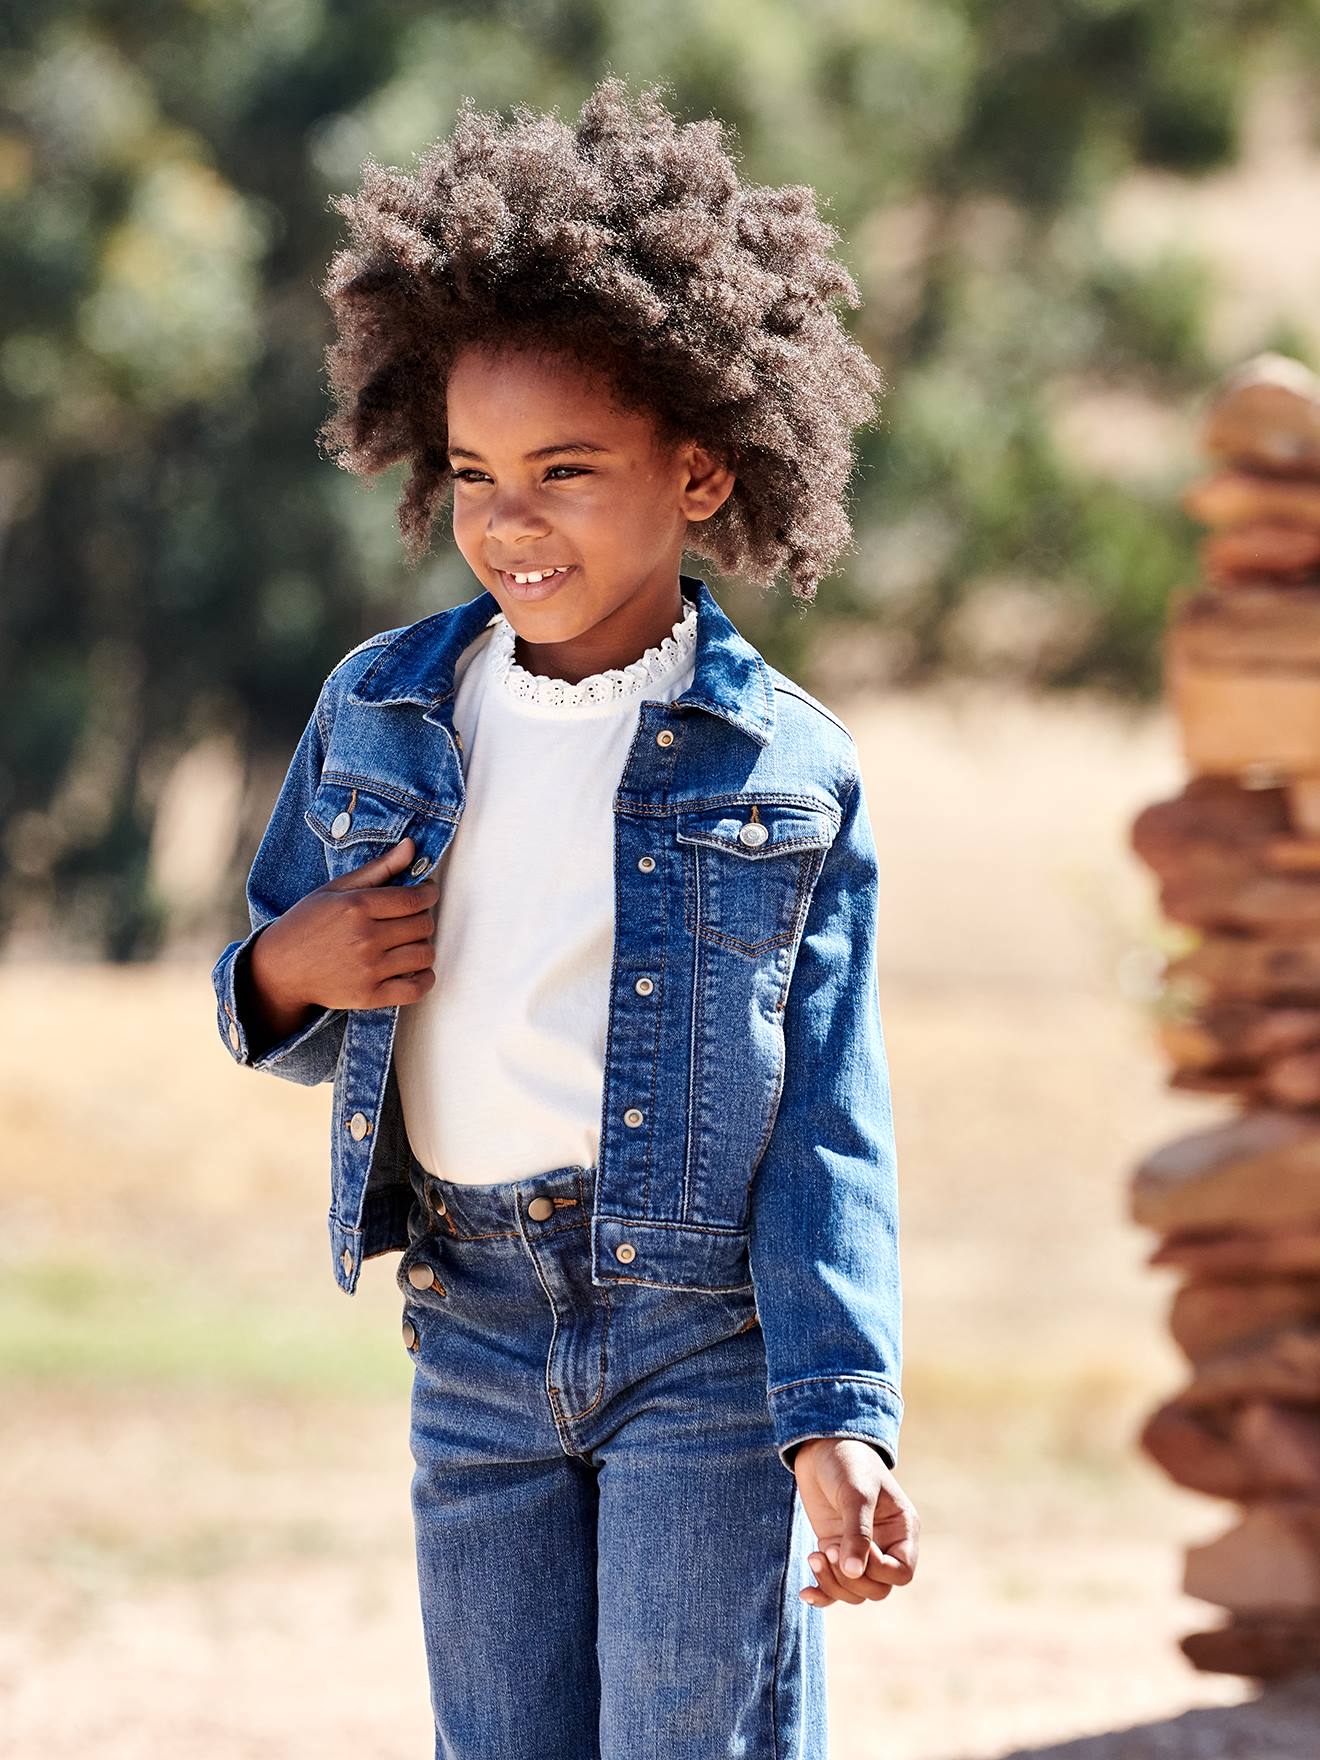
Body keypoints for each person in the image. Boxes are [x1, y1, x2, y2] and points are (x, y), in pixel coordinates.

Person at [211, 73, 919, 1759]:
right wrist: (288, 972)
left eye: (564, 470)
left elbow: (831, 1119)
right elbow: (272, 979)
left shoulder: (788, 772)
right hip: (469, 1320)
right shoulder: (384, 712)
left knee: (694, 1736)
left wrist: (840, 1419)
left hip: (704, 1342)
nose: (505, 520)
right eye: (470, 471)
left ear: (698, 473)